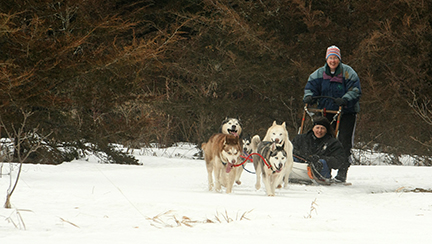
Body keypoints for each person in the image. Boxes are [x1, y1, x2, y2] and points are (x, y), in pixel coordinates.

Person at [303, 45, 361, 182]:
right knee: (323, 139)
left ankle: (342, 171)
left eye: (335, 58)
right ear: (326, 59)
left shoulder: (348, 72)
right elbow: (310, 88)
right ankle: (323, 168)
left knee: (344, 141)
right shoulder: (318, 74)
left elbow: (355, 90)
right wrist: (309, 97)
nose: (333, 61)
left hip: (346, 112)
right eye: (330, 58)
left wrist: (345, 99)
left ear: (339, 59)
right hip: (326, 112)